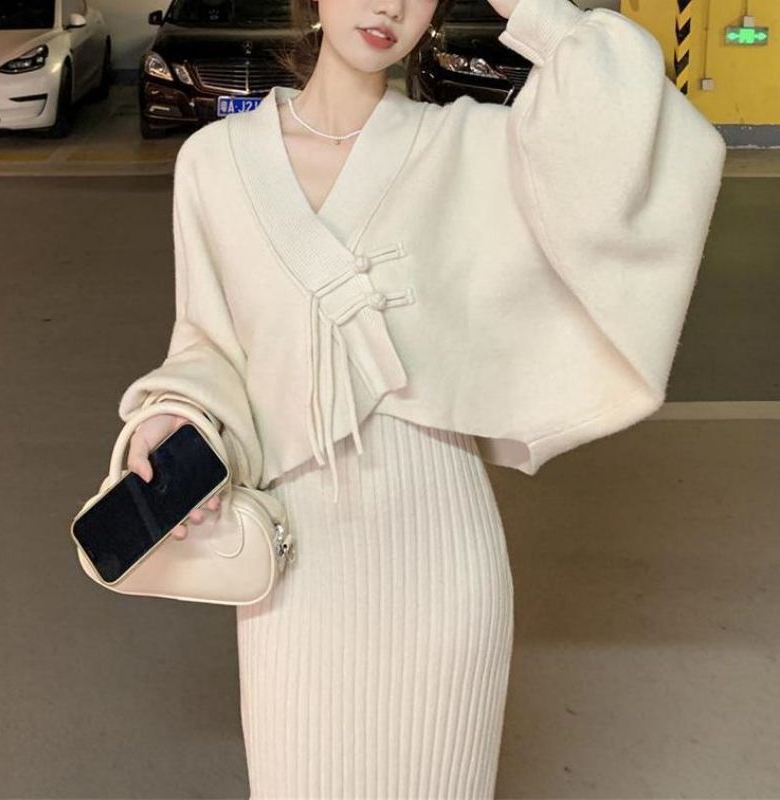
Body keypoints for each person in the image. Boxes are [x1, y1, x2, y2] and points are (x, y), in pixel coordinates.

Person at [122, 0, 726, 796]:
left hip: (444, 558)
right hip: (295, 558)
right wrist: (176, 413)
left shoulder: (471, 146)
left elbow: (645, 130)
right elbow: (206, 344)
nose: (390, 6)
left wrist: (534, 10)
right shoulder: (214, 161)